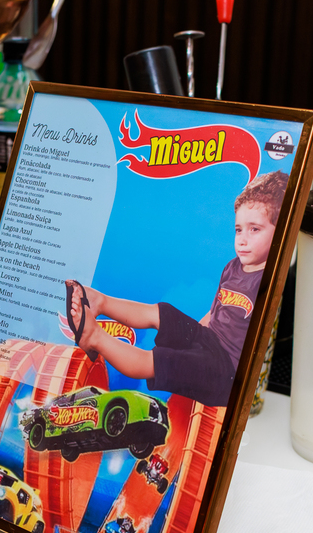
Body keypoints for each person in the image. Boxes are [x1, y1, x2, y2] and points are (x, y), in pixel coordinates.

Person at [66, 171, 288, 407]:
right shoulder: (233, 267)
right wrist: (189, 336)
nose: (242, 239)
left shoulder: (267, 282)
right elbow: (214, 313)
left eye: (254, 229)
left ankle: (95, 338)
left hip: (226, 371)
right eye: (238, 229)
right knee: (165, 313)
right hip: (210, 340)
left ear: (281, 230)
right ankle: (100, 302)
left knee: (160, 361)